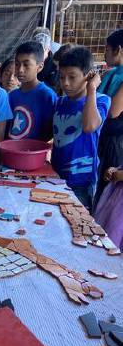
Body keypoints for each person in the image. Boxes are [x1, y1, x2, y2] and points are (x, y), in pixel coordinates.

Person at [51, 47, 111, 211]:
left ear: (88, 75)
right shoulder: (59, 102)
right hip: (55, 175)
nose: (66, 83)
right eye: (62, 77)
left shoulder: (101, 101)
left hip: (81, 181)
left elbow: (89, 126)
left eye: (72, 77)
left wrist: (91, 89)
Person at [94, 29, 123, 209]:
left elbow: (113, 111)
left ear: (118, 49)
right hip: (107, 136)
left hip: (114, 139)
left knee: (109, 186)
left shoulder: (116, 75)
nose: (105, 53)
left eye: (107, 49)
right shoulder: (113, 73)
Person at [8, 41, 57, 141]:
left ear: (40, 67)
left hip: (35, 152)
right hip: (11, 151)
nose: (20, 69)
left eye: (26, 65)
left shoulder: (47, 95)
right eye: (17, 64)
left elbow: (51, 131)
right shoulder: (11, 96)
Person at [94, 166, 123, 251]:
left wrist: (117, 174)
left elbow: (118, 175)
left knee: (114, 236)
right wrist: (113, 170)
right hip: (116, 200)